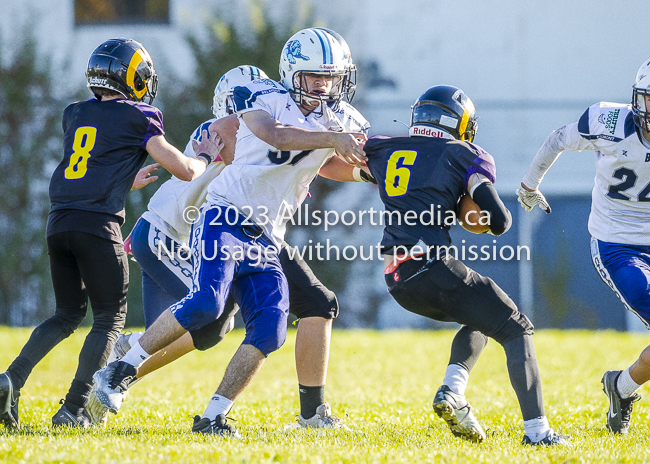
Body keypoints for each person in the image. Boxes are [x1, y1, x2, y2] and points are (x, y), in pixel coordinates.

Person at [91, 28, 368, 436]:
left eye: (332, 77)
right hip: (221, 218)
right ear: (291, 74)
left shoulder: (338, 118)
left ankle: (212, 415)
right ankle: (120, 368)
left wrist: (372, 168)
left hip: (266, 235)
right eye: (314, 76)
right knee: (208, 307)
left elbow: (329, 159)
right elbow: (276, 136)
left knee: (267, 328)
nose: (325, 86)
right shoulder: (260, 102)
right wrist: (332, 138)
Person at [0, 38, 221, 429]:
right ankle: (74, 409)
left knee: (66, 314)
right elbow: (184, 170)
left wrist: (122, 179)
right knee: (109, 319)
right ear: (133, 78)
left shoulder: (74, 113)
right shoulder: (141, 115)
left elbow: (93, 160)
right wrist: (204, 155)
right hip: (97, 225)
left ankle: (11, 379)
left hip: (60, 223)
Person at [363, 85, 566, 445]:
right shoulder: (463, 153)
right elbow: (500, 220)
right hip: (431, 263)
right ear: (461, 124)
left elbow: (346, 168)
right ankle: (538, 432)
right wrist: (468, 210)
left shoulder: (384, 147)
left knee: (483, 317)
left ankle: (454, 395)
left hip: (396, 277)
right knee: (516, 326)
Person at [517, 58, 650, 436]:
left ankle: (621, 388)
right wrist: (529, 184)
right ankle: (621, 389)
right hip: (618, 245)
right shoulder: (608, 122)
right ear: (637, 101)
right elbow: (560, 138)